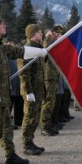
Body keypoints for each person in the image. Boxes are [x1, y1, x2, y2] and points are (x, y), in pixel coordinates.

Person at [0, 15, 41, 164]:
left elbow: (18, 51)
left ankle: (10, 154)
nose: (4, 26)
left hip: (3, 96)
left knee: (6, 128)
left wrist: (39, 51)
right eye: (1, 24)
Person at [18, 24, 46, 156]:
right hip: (31, 91)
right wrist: (28, 91)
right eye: (39, 33)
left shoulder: (38, 49)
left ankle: (30, 141)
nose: (41, 35)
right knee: (29, 117)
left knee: (35, 117)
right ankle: (26, 144)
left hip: (38, 89)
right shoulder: (27, 50)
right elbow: (24, 73)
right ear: (32, 34)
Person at [40, 29, 60, 136]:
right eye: (52, 34)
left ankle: (48, 123)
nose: (54, 36)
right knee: (48, 101)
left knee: (52, 102)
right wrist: (47, 37)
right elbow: (44, 50)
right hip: (48, 77)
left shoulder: (53, 45)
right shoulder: (46, 44)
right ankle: (44, 126)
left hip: (54, 77)